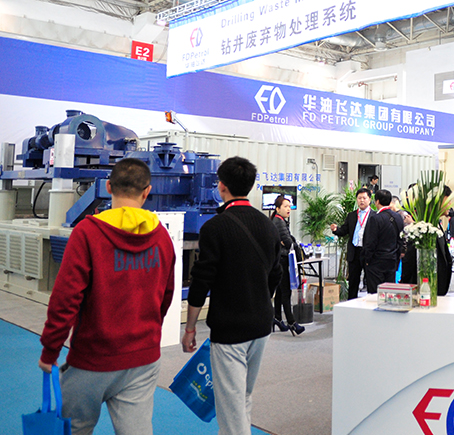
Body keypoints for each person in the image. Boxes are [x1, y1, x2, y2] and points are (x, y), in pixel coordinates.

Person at [38, 158, 176, 435]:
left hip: (93, 358)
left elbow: (65, 299)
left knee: (74, 428)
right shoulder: (161, 236)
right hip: (143, 357)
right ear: (147, 191)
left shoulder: (88, 233)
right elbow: (166, 294)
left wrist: (50, 349)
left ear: (108, 187)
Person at [182, 156, 283, 435]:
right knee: (243, 397)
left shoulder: (214, 227)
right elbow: (276, 273)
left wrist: (190, 327)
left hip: (230, 327)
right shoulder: (268, 225)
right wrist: (260, 299)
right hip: (261, 324)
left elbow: (201, 281)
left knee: (231, 405)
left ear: (221, 185)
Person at [330, 188, 372, 300]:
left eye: (364, 198)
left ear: (369, 200)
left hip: (367, 252)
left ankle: (370, 302)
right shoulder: (352, 215)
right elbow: (344, 230)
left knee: (370, 280)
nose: (361, 200)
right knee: (353, 280)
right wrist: (336, 230)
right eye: (359, 198)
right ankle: (351, 302)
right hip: (354, 251)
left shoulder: (374, 216)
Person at [271, 195, 304, 335]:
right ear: (278, 209)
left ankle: (277, 318)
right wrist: (293, 244)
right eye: (285, 206)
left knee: (280, 291)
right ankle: (292, 322)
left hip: (280, 260)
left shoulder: (279, 220)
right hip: (282, 260)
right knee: (286, 291)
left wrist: (290, 242)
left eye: (289, 206)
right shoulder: (278, 222)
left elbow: (288, 240)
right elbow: (289, 242)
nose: (288, 209)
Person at [361, 189, 404, 293]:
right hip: (392, 260)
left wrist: (367, 260)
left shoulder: (375, 218)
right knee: (389, 291)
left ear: (377, 201)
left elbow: (370, 242)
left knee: (375, 293)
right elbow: (400, 239)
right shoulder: (398, 217)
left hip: (376, 261)